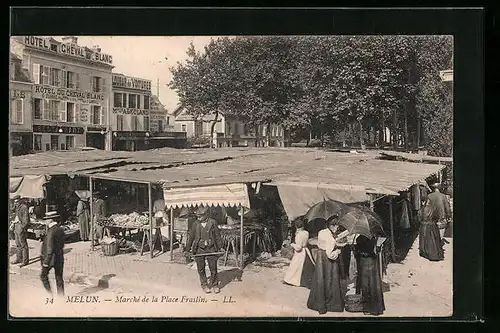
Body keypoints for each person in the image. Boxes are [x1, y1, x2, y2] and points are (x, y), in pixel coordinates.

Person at [307, 217, 347, 314]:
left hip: (321, 257)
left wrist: (335, 241)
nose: (337, 228)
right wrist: (338, 250)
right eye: (336, 226)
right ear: (332, 225)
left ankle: (318, 304)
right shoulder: (330, 236)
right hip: (328, 261)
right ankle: (332, 305)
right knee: (330, 280)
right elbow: (330, 254)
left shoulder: (322, 232)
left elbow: (323, 244)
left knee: (321, 280)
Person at [185, 206, 224, 294]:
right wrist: (187, 249)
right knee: (201, 268)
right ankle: (204, 284)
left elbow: (217, 236)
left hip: (211, 248)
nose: (198, 218)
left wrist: (220, 246)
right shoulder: (195, 224)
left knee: (213, 268)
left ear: (206, 214)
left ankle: (215, 285)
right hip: (199, 249)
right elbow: (191, 238)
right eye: (197, 217)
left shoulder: (213, 222)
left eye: (200, 216)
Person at [354, 235, 385, 316]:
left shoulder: (359, 238)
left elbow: (356, 253)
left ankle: (367, 308)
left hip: (363, 263)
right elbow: (375, 253)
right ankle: (376, 308)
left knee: (365, 285)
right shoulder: (373, 239)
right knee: (374, 284)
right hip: (372, 263)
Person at [283, 217, 315, 289]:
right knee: (308, 266)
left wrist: (292, 244)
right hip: (306, 250)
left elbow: (298, 247)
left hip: (300, 253)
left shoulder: (299, 235)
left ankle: (294, 280)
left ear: (296, 226)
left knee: (296, 266)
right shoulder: (306, 232)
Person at [40, 211, 66, 297]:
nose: (45, 221)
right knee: (59, 278)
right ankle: (61, 297)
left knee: (43, 276)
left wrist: (46, 262)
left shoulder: (51, 231)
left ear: (51, 220)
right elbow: (62, 244)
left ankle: (50, 295)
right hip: (59, 257)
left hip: (50, 259)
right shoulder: (60, 229)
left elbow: (50, 249)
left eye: (46, 219)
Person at [418, 195, 444, 261]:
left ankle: (425, 253)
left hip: (423, 226)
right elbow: (437, 217)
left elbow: (419, 218)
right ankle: (433, 255)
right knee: (432, 241)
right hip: (432, 226)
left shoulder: (421, 209)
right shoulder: (433, 208)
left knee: (424, 240)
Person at [11, 195, 30, 267]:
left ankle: (25, 261)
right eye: (15, 202)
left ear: (20, 200)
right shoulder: (16, 206)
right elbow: (12, 211)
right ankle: (19, 258)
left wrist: (23, 227)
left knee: (23, 245)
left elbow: (26, 219)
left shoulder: (24, 207)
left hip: (20, 226)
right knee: (17, 244)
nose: (15, 203)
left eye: (17, 202)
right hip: (16, 226)